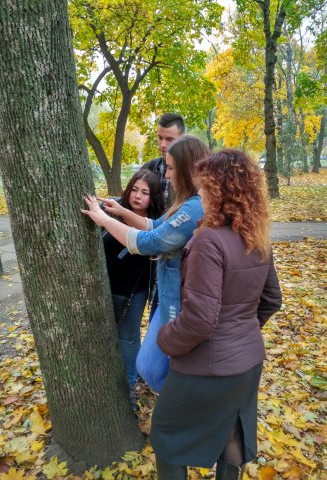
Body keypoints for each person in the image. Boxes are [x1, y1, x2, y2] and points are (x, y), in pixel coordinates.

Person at [150, 149, 282, 480]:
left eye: (205, 187)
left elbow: (200, 319)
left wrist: (166, 339)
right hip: (248, 362)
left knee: (166, 435)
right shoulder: (256, 236)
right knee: (232, 433)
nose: (201, 194)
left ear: (220, 190)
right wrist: (241, 332)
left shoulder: (208, 241)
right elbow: (271, 300)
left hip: (208, 367)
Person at [81, 135, 210, 393]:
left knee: (154, 366)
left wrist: (103, 220)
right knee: (156, 366)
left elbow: (150, 241)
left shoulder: (195, 207)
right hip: (167, 297)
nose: (168, 175)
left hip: (178, 301)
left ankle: (184, 410)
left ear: (187, 169)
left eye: (172, 168)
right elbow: (155, 225)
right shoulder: (186, 203)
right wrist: (120, 212)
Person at [102, 170, 164, 396]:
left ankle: (129, 390)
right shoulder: (113, 213)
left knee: (128, 341)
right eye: (135, 189)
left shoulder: (156, 227)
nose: (137, 196)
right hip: (102, 290)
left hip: (131, 295)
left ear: (153, 197)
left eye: (145, 192)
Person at [143, 113, 185, 208]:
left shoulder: (197, 174)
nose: (162, 145)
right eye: (160, 138)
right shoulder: (149, 168)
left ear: (183, 138)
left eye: (169, 139)